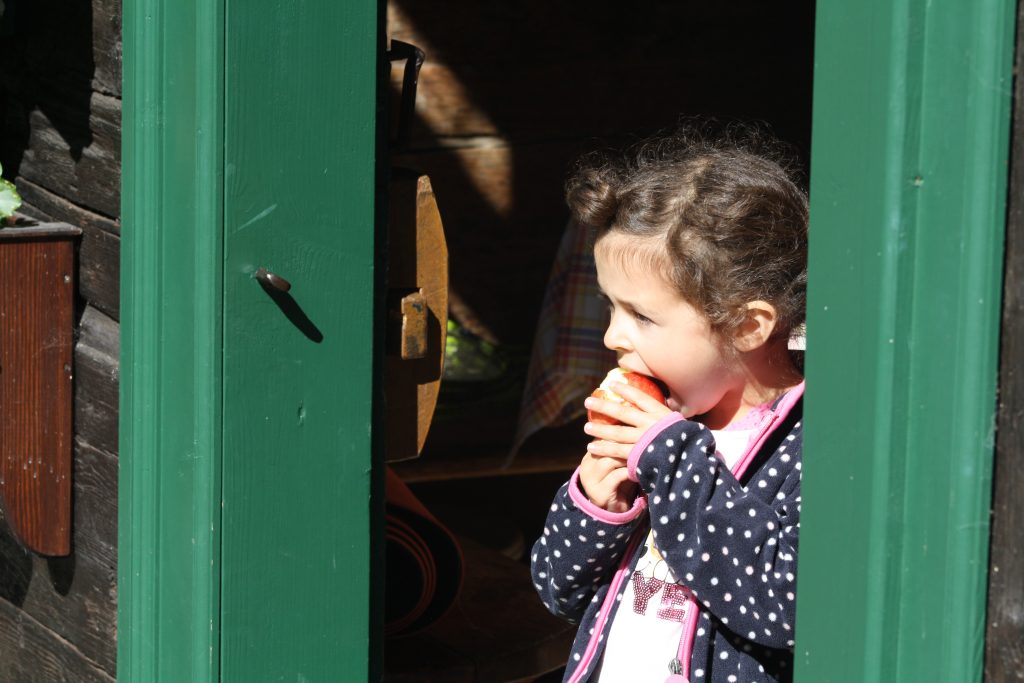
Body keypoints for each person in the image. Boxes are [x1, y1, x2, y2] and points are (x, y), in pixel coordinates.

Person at [531, 125, 807, 683]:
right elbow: (557, 591)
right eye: (610, 307)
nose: (612, 336)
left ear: (747, 326)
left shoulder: (807, 445)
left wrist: (672, 459)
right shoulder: (662, 423)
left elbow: (785, 606)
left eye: (642, 316)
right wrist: (597, 506)